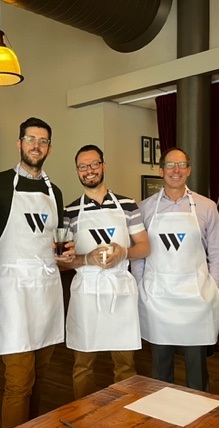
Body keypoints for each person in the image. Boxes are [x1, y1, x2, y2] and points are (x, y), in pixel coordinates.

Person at [0, 117, 75, 428]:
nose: (37, 145)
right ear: (19, 143)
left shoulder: (55, 191)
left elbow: (58, 243)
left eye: (43, 140)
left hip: (47, 291)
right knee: (19, 381)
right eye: (31, 139)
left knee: (39, 377)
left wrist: (69, 255)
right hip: (14, 292)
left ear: (50, 147)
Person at [131, 147, 219, 392]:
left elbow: (217, 253)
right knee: (160, 368)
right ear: (161, 171)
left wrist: (212, 287)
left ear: (189, 170)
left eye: (181, 165)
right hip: (158, 297)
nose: (176, 171)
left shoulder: (206, 207)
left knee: (197, 366)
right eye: (171, 165)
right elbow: (138, 254)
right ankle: (163, 420)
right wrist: (142, 286)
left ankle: (199, 415)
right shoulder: (144, 209)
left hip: (195, 298)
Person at [61, 145, 151, 399]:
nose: (89, 171)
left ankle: (125, 416)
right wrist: (85, 258)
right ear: (77, 171)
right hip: (86, 293)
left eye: (94, 164)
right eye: (83, 166)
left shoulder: (127, 205)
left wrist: (123, 253)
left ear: (103, 166)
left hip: (119, 289)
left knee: (125, 365)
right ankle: (83, 416)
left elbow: (144, 247)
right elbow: (63, 260)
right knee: (82, 366)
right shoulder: (69, 212)